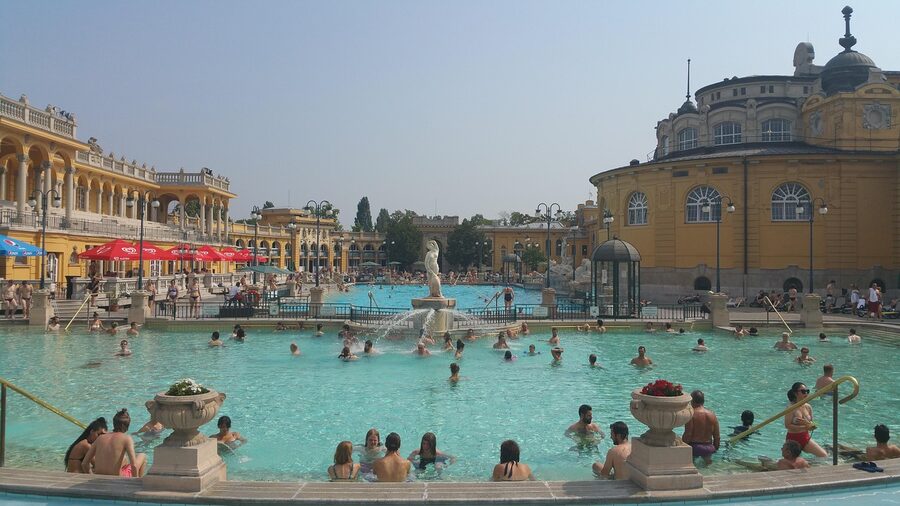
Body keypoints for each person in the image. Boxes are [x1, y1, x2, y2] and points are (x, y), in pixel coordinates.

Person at [81, 409, 146, 477]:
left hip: (99, 476)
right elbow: (134, 466)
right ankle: (139, 482)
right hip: (118, 478)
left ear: (114, 423)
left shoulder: (100, 438)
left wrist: (91, 476)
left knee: (125, 461)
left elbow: (84, 464)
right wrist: (134, 482)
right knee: (142, 455)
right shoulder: (126, 438)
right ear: (127, 425)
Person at [784, 382, 827, 457]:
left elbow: (813, 425)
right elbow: (787, 425)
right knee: (792, 463)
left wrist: (807, 423)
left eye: (807, 391)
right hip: (793, 439)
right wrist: (805, 426)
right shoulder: (790, 408)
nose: (806, 393)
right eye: (803, 391)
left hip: (805, 437)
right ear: (795, 393)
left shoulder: (808, 407)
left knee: (823, 455)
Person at [682, 390, 720, 465]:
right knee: (707, 466)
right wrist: (715, 449)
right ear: (703, 401)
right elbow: (717, 437)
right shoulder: (712, 415)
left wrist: (682, 447)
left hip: (695, 448)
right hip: (709, 448)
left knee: (690, 467)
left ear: (691, 401)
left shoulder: (691, 414)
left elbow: (688, 434)